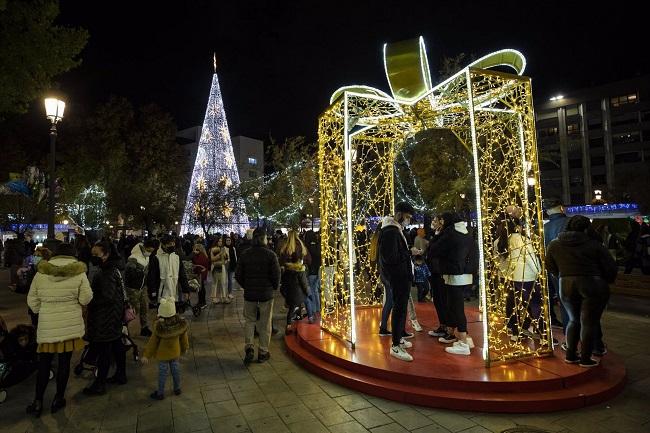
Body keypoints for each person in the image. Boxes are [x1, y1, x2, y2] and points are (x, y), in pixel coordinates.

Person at [26, 243, 93, 416]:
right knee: (64, 364)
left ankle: (38, 401)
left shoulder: (41, 273)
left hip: (48, 325)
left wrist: (43, 311)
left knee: (44, 364)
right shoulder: (79, 273)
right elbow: (86, 298)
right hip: (69, 326)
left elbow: (32, 300)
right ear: (73, 255)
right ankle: (58, 398)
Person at [546, 215, 617, 367]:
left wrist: (562, 275)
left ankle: (571, 354)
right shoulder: (595, 245)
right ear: (586, 228)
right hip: (592, 284)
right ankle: (585, 357)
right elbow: (610, 267)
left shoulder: (555, 244)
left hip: (566, 284)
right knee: (589, 322)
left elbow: (550, 266)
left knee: (573, 320)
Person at [428, 212, 478, 356]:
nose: (441, 222)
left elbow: (433, 250)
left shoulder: (450, 234)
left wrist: (437, 235)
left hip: (454, 275)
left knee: (456, 307)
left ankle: (464, 342)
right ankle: (464, 339)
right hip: (465, 275)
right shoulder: (466, 233)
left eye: (442, 219)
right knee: (457, 306)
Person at [83, 240, 127, 395]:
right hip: (113, 315)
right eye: (92, 254)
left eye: (96, 254)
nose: (93, 257)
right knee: (116, 346)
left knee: (104, 351)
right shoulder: (112, 268)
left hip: (105, 317)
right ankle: (121, 375)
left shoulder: (107, 271)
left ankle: (100, 383)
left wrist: (90, 301)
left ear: (106, 254)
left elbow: (107, 297)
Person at [378, 202, 417, 362]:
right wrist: (408, 252)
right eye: (407, 217)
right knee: (399, 309)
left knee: (400, 309)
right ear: (400, 214)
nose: (408, 220)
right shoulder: (390, 232)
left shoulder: (395, 230)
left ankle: (399, 338)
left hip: (401, 275)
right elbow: (390, 257)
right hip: (397, 276)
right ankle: (395, 345)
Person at [235, 228, 281, 365]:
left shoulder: (245, 254)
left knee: (250, 320)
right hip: (266, 294)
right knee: (265, 322)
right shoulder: (271, 255)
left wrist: (246, 285)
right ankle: (263, 351)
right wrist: (273, 287)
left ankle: (249, 347)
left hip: (250, 294)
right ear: (264, 238)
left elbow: (238, 274)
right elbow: (276, 275)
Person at [495, 216, 542, 342]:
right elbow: (531, 259)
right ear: (517, 227)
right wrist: (539, 272)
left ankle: (515, 332)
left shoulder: (500, 241)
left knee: (513, 304)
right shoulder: (522, 240)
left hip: (510, 277)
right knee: (535, 305)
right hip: (526, 277)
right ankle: (541, 333)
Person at [142, 297, 189, 400]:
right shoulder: (180, 325)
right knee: (176, 371)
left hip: (163, 355)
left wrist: (146, 355)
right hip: (175, 353)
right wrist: (185, 348)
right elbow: (184, 338)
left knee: (162, 374)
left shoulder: (159, 327)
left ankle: (160, 393)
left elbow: (152, 343)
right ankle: (177, 388)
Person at [543, 198, 568, 329]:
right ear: (562, 208)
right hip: (574, 267)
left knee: (562, 300)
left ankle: (568, 331)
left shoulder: (544, 228)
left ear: (547, 212)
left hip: (554, 269)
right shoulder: (570, 223)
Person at [125, 239, 156, 337]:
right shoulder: (134, 258)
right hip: (133, 288)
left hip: (143, 287)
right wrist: (141, 273)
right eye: (149, 250)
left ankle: (144, 328)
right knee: (134, 310)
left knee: (144, 308)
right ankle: (124, 328)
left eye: (152, 251)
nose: (150, 253)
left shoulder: (145, 257)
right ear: (144, 247)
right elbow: (128, 274)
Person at [150, 235, 191, 304]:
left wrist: (186, 290)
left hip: (175, 292)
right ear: (163, 245)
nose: (172, 245)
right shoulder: (156, 258)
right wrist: (152, 293)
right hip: (161, 293)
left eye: (173, 243)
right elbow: (152, 277)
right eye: (169, 244)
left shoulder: (177, 257)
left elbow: (182, 275)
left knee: (174, 312)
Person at [426, 216, 448, 338]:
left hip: (440, 272)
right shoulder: (436, 234)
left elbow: (435, 250)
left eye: (435, 221)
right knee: (438, 301)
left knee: (442, 300)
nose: (433, 223)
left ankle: (446, 327)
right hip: (434, 272)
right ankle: (443, 325)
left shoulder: (443, 235)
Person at [281, 252, 309, 334]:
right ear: (299, 260)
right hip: (298, 295)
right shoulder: (300, 271)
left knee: (293, 308)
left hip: (289, 294)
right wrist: (308, 293)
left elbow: (284, 282)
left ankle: (293, 323)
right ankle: (290, 325)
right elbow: (304, 284)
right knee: (295, 308)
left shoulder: (287, 270)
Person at [304, 230, 321, 323]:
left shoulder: (308, 247)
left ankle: (314, 310)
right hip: (318, 269)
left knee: (311, 291)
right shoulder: (318, 245)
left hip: (311, 271)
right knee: (315, 290)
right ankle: (317, 309)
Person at [210, 237, 230, 304]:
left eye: (221, 241)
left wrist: (225, 260)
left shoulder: (223, 248)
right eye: (219, 241)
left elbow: (226, 257)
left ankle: (223, 297)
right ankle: (214, 298)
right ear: (216, 242)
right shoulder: (213, 249)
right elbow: (212, 259)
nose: (220, 242)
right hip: (216, 267)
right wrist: (219, 255)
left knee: (223, 283)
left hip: (222, 267)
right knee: (215, 283)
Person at [192, 243, 210, 308]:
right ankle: (200, 302)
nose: (194, 251)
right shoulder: (200, 255)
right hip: (200, 274)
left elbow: (198, 264)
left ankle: (202, 302)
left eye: (196, 249)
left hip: (201, 274)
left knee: (201, 289)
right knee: (200, 289)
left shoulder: (202, 256)